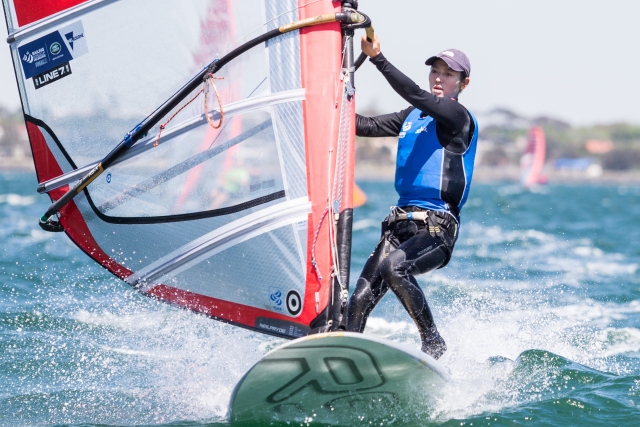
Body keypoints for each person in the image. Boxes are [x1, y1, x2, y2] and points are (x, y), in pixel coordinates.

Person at [345, 34, 478, 360]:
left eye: (448, 74)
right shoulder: (412, 116)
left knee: (395, 268)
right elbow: (364, 125)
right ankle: (344, 356)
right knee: (358, 299)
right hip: (398, 226)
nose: (439, 78)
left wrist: (378, 59)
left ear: (463, 83)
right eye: (435, 71)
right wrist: (328, 99)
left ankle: (432, 341)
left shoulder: (457, 117)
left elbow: (415, 93)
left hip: (436, 229)